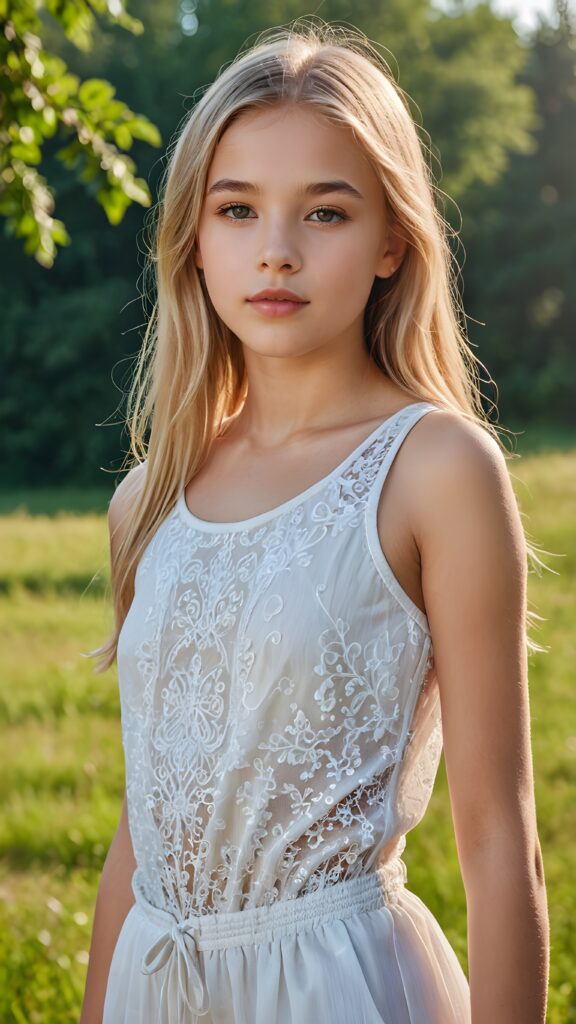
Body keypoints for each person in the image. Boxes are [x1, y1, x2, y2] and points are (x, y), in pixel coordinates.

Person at [79, 17, 549, 1024]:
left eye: (325, 214)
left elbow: (501, 840)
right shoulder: (146, 498)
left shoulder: (435, 468)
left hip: (333, 988)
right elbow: (142, 826)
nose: (276, 252)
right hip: (154, 987)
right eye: (238, 210)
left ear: (391, 239)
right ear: (195, 242)